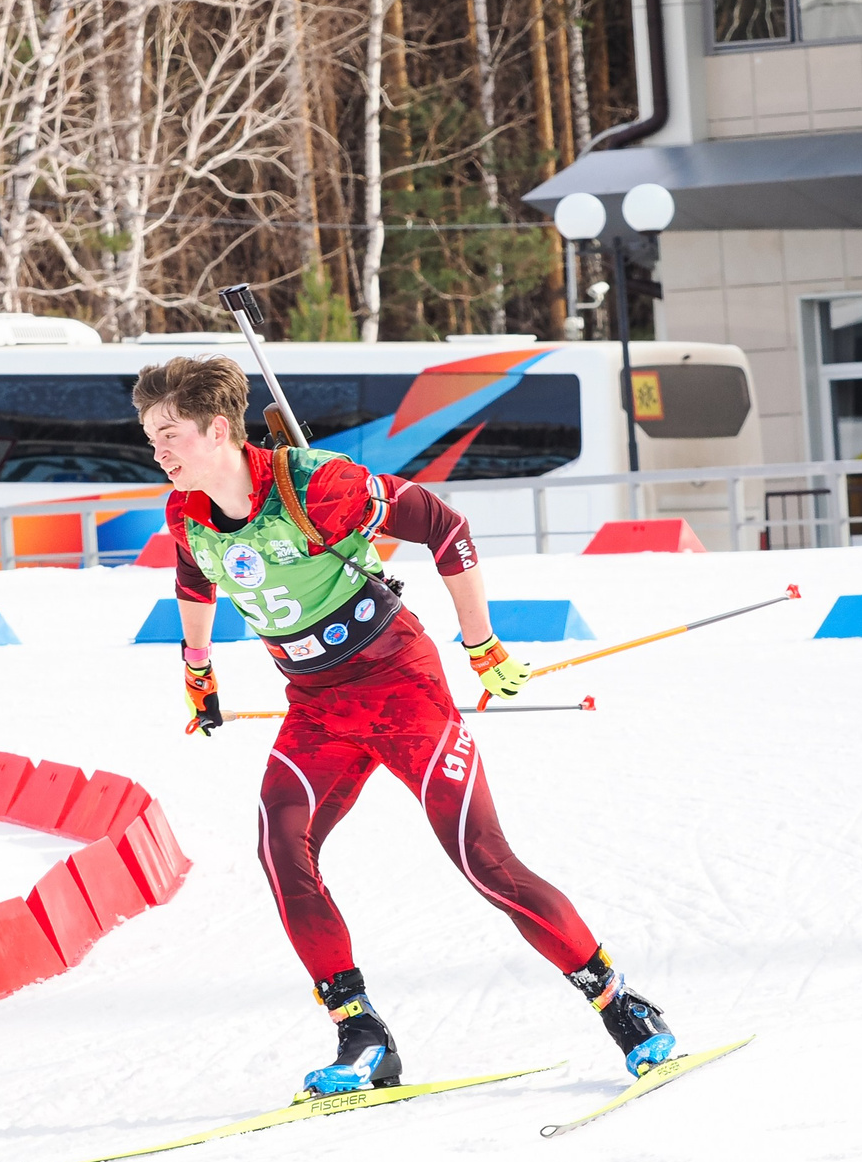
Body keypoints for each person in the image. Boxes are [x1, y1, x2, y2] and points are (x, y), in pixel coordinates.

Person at [135, 355, 675, 1097]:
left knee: (483, 859)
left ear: (218, 429)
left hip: (400, 688)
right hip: (316, 705)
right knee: (280, 846)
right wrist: (198, 670)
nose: (157, 452)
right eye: (151, 437)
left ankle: (622, 1006)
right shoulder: (186, 512)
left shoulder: (318, 485)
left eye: (169, 435)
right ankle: (362, 1035)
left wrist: (482, 643)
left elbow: (446, 526)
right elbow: (195, 575)